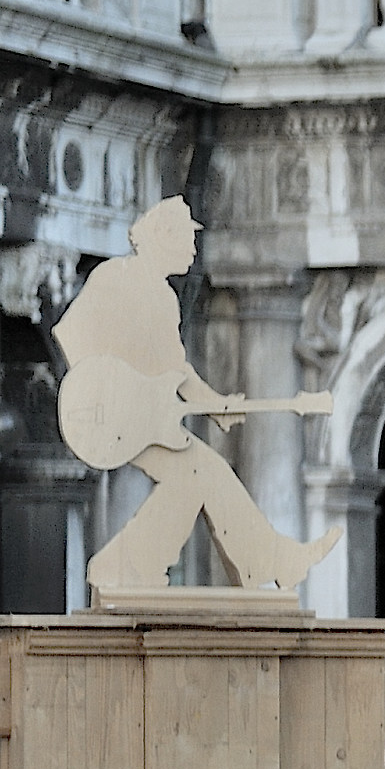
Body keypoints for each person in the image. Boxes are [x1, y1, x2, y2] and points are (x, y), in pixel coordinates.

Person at [52, 198, 337, 592]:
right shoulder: (113, 276)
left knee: (201, 475)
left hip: (147, 419)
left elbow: (176, 371)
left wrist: (214, 402)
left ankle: (133, 568)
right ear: (161, 238)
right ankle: (266, 562)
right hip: (111, 418)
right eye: (186, 239)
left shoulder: (166, 299)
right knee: (199, 474)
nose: (192, 250)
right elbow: (70, 335)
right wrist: (111, 385)